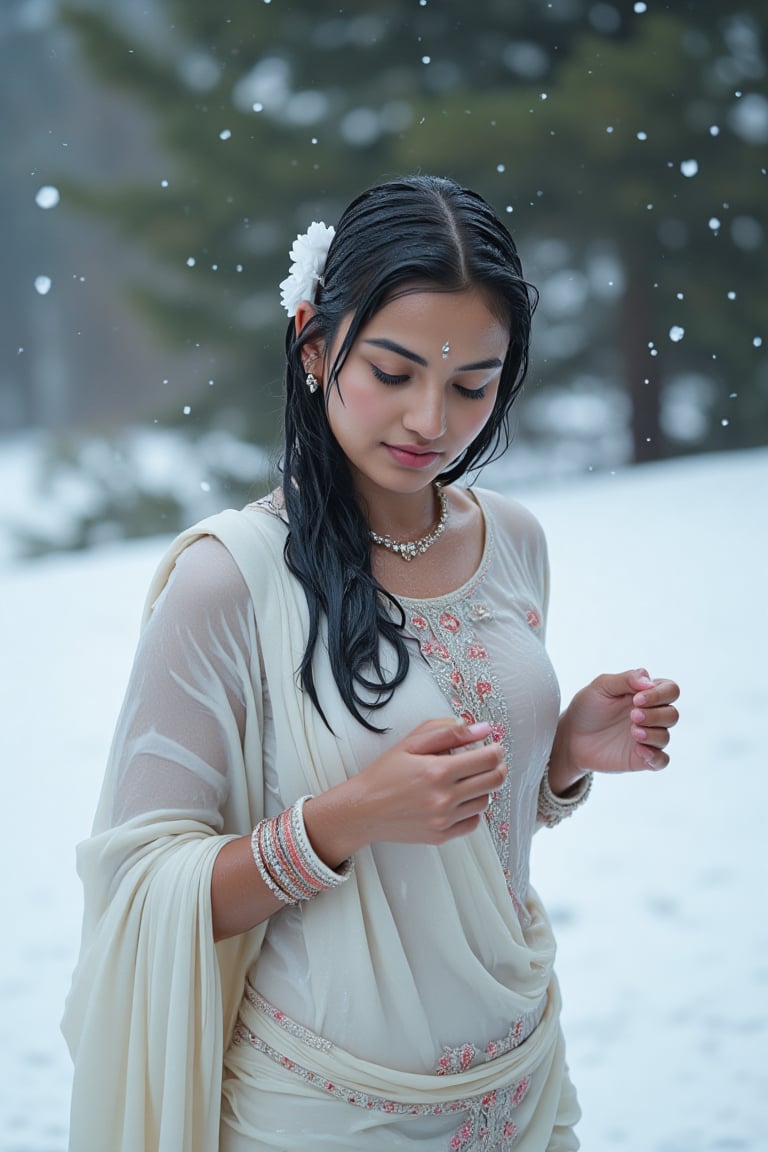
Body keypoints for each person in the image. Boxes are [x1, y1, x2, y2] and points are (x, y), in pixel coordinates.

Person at [62, 174, 680, 1152]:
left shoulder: (513, 540)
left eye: (473, 384)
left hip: (521, 1087)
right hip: (327, 1113)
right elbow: (140, 893)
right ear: (314, 345)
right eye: (393, 373)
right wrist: (340, 822)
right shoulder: (230, 582)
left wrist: (557, 761)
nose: (433, 421)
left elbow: (476, 846)